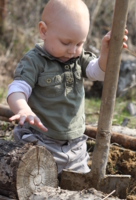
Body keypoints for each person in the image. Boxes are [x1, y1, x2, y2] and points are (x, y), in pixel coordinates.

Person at [7, 0, 128, 176]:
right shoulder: (35, 61)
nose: (72, 50)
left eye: (79, 44)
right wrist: (23, 108)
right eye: (66, 43)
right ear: (44, 31)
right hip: (40, 141)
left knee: (79, 185)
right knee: (35, 180)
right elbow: (17, 88)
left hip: (75, 145)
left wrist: (106, 54)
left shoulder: (78, 59)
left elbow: (98, 73)